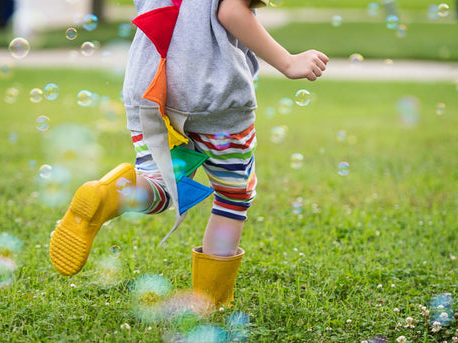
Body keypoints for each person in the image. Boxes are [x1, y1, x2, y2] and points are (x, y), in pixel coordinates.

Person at [49, 0, 328, 309]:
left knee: (161, 183)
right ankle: (211, 299)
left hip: (150, 88)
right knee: (232, 196)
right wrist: (288, 62)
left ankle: (112, 195)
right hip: (214, 95)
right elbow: (231, 10)